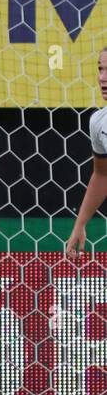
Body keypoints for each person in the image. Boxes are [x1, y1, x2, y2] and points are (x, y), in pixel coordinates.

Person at [66, 47, 107, 258]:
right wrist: (80, 224)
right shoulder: (98, 122)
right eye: (100, 69)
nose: (102, 78)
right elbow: (102, 175)